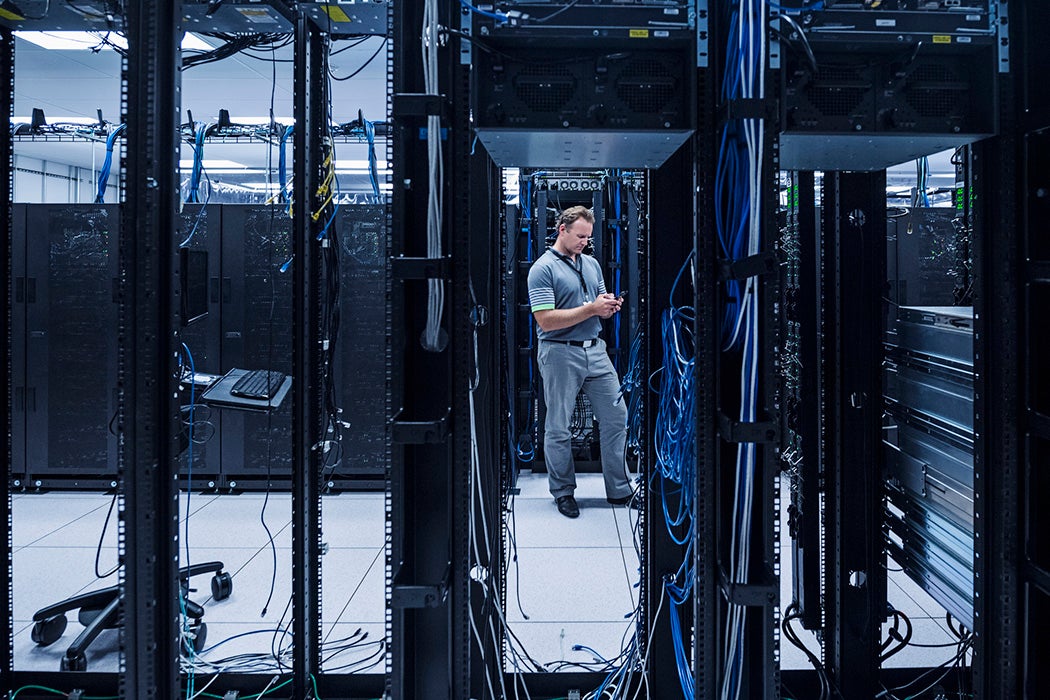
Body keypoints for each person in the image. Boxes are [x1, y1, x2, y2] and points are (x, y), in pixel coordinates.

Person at [527, 205, 635, 518]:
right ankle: (563, 492)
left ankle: (619, 489)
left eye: (588, 237)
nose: (585, 242)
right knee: (558, 426)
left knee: (616, 417)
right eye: (580, 236)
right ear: (562, 229)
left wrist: (609, 306)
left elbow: (597, 300)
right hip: (559, 352)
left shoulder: (591, 264)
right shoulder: (543, 269)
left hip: (595, 351)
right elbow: (545, 320)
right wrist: (591, 310)